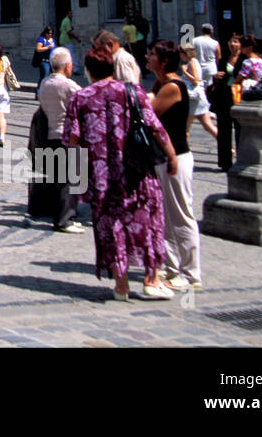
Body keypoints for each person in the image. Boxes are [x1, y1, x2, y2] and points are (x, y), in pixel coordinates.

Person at [62, 46, 178, 301]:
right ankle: (151, 280)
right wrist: (171, 155)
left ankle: (121, 286)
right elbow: (155, 128)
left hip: (103, 177)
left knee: (110, 227)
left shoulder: (80, 97)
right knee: (146, 223)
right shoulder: (132, 91)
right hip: (136, 173)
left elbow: (72, 140)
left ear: (89, 70)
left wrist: (78, 175)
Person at [147, 40, 202, 291]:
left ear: (164, 61)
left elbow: (148, 114)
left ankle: (191, 274)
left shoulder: (172, 86)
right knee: (165, 216)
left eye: (152, 54)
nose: (147, 57)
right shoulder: (161, 83)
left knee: (181, 215)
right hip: (163, 158)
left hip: (176, 158)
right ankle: (170, 268)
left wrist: (145, 97)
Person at [36, 47, 83, 233]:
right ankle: (65, 219)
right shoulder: (69, 85)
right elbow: (84, 99)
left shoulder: (45, 83)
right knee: (69, 180)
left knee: (58, 178)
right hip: (67, 135)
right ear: (66, 66)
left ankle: (63, 215)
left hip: (50, 134)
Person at [211, 33, 243, 170]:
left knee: (240, 130)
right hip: (224, 96)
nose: (232, 44)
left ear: (241, 44)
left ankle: (242, 159)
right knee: (224, 129)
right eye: (231, 41)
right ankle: (225, 162)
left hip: (238, 96)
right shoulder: (224, 59)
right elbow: (219, 75)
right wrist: (216, 76)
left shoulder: (244, 59)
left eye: (235, 41)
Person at [180, 44, 217, 139]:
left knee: (185, 127)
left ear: (185, 53)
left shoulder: (191, 62)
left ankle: (183, 149)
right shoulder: (194, 61)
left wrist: (185, 72)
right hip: (199, 98)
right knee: (208, 126)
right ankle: (227, 146)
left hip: (194, 99)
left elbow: (196, 80)